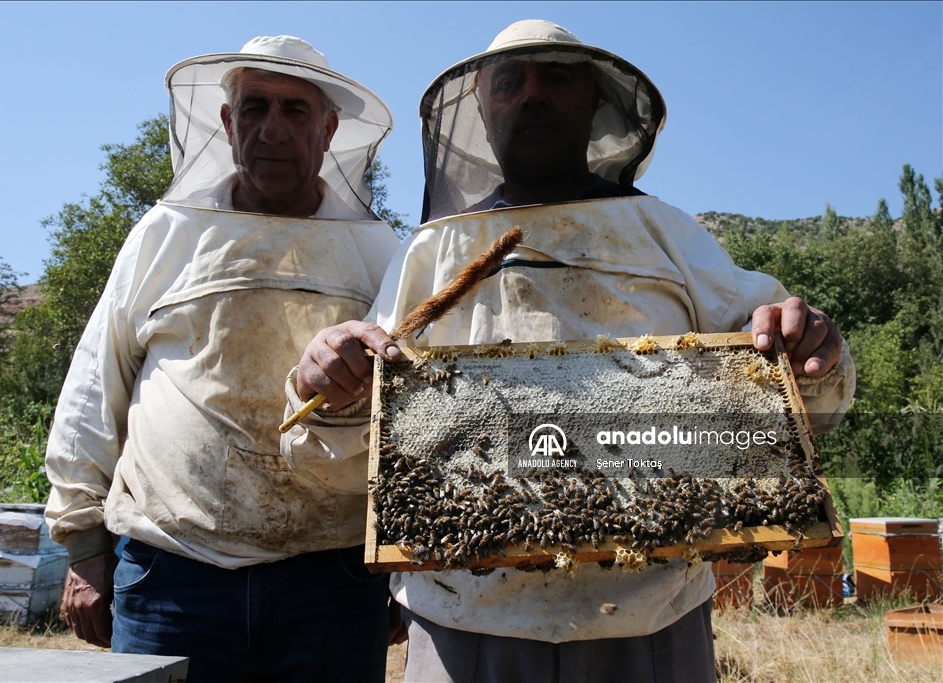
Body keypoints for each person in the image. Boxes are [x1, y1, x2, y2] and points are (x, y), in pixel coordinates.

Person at [286, 20, 856, 682]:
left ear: (593, 104)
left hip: (649, 623)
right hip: (464, 621)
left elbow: (788, 392)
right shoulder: (431, 251)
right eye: (510, 83)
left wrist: (809, 348)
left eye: (557, 78)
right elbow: (355, 424)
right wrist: (328, 376)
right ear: (483, 107)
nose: (532, 96)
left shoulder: (666, 234)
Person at [44, 36, 400, 681]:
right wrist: (83, 544)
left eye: (295, 110)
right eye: (254, 107)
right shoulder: (167, 233)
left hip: (334, 576)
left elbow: (409, 412)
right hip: (172, 572)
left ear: (328, 130)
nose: (272, 128)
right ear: (227, 123)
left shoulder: (377, 250)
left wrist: (402, 565)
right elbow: (97, 384)